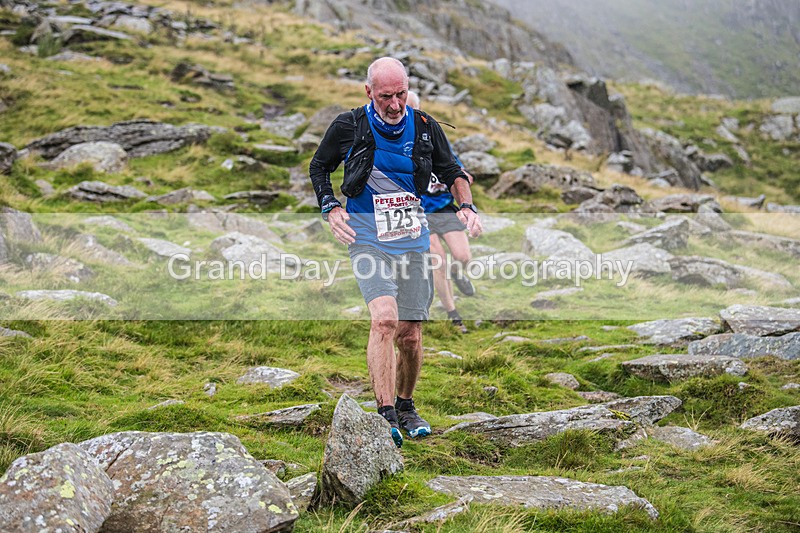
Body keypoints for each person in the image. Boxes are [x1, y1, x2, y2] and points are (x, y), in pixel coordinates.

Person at [309, 57, 482, 447]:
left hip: (413, 241)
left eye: (401, 94)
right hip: (367, 238)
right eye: (385, 96)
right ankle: (385, 412)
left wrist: (466, 206)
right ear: (369, 92)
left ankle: (406, 405)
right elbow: (319, 167)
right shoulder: (348, 125)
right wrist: (330, 206)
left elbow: (452, 170)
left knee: (410, 336)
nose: (395, 104)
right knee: (384, 321)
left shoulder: (424, 127)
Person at [408, 91, 475, 334]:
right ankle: (454, 316)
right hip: (418, 212)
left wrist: (464, 177)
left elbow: (456, 168)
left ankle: (458, 272)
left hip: (445, 208)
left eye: (413, 111)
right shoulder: (396, 143)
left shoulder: (432, 136)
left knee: (463, 256)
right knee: (437, 261)